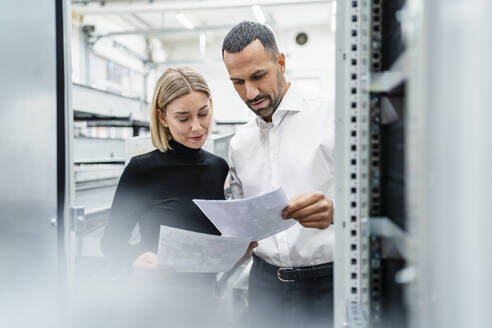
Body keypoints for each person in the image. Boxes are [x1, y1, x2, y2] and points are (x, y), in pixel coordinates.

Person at [100, 66, 255, 328]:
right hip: (154, 307)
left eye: (203, 114)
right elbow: (110, 243)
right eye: (183, 118)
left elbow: (210, 241)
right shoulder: (141, 170)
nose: (197, 127)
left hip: (205, 304)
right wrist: (135, 260)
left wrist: (235, 253)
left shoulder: (218, 168)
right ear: (162, 117)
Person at [222, 21, 335, 328]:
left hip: (328, 284)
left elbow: (376, 201)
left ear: (281, 62)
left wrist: (336, 211)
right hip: (265, 285)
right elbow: (243, 223)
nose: (251, 92)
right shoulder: (240, 143)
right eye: (238, 82)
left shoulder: (331, 119)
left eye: (259, 76)